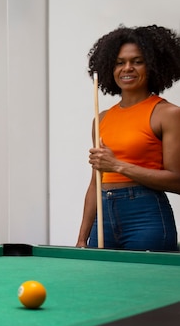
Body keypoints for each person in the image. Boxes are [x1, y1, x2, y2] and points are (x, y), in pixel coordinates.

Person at [76, 24, 180, 251]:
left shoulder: (168, 114)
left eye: (137, 61)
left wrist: (118, 165)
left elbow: (177, 180)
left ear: (152, 65)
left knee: (145, 286)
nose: (127, 68)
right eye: (120, 62)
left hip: (145, 217)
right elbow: (96, 182)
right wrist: (82, 237)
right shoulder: (100, 118)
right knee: (102, 285)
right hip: (103, 219)